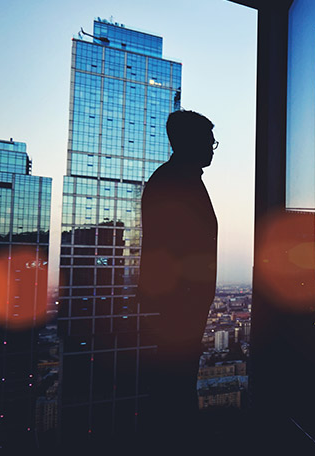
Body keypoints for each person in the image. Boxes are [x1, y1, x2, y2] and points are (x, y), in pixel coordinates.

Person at [138, 110, 218, 444]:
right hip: (178, 307)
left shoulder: (177, 178)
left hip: (180, 305)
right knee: (175, 387)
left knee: (176, 384)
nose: (213, 148)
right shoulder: (176, 182)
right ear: (191, 143)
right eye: (209, 141)